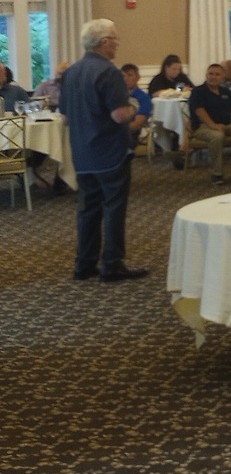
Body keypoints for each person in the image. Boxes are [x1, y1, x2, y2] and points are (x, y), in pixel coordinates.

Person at [59, 19, 148, 282]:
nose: (118, 44)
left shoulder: (71, 72)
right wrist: (133, 106)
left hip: (82, 153)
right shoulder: (109, 72)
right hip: (109, 151)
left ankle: (84, 264)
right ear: (104, 42)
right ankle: (112, 263)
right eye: (116, 39)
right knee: (113, 208)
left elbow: (64, 117)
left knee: (88, 209)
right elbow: (120, 116)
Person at [119, 63, 152, 138]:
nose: (126, 79)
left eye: (130, 75)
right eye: (123, 76)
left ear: (138, 78)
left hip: (129, 135)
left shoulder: (144, 98)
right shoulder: (116, 95)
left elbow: (137, 124)